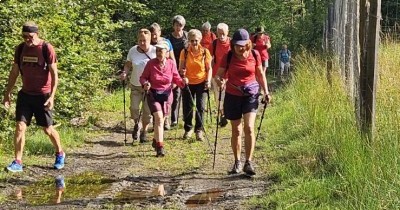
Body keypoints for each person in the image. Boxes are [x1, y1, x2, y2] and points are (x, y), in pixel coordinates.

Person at [2, 21, 65, 172]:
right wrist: (7, 93)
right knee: (20, 126)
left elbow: (54, 75)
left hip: (43, 95)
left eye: (29, 36)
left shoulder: (46, 48)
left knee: (47, 129)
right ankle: (17, 161)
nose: (27, 39)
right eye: (24, 36)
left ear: (37, 34)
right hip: (25, 95)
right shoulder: (20, 49)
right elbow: (14, 72)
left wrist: (52, 97)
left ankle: (60, 153)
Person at [215, 28, 271, 176]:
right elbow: (218, 75)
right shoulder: (228, 56)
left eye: (242, 44)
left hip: (251, 94)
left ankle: (249, 162)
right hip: (232, 95)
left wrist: (266, 91)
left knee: (249, 127)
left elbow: (260, 74)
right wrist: (220, 81)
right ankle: (237, 162)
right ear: (233, 43)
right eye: (237, 45)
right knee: (236, 130)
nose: (239, 48)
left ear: (248, 43)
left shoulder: (255, 54)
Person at [140, 41, 188, 156]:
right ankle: (160, 147)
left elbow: (176, 78)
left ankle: (156, 140)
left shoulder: (171, 64)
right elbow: (143, 77)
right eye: (157, 51)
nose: (158, 53)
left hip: (166, 95)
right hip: (153, 94)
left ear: (166, 53)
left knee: (160, 120)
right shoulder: (151, 64)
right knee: (159, 118)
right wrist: (145, 83)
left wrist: (183, 82)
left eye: (161, 51)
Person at [120, 28, 156, 143]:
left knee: (147, 112)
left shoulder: (155, 51)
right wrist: (125, 73)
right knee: (134, 108)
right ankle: (137, 125)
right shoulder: (132, 51)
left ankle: (144, 132)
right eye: (140, 40)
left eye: (144, 40)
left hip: (149, 87)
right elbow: (128, 64)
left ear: (149, 40)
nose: (142, 43)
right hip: (135, 84)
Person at [179, 29, 212, 141]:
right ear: (188, 40)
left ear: (200, 40)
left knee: (200, 107)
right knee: (187, 107)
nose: (194, 43)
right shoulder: (185, 52)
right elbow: (180, 68)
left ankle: (199, 130)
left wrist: (208, 80)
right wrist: (182, 74)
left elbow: (209, 68)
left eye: (196, 40)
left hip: (201, 82)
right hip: (188, 82)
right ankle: (188, 129)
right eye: (192, 40)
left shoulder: (205, 52)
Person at [148, 22, 175, 130]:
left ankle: (166, 119)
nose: (154, 36)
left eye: (155, 33)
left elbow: (172, 59)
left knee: (167, 99)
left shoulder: (166, 42)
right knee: (155, 100)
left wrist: (174, 75)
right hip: (153, 76)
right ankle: (157, 123)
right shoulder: (148, 44)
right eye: (152, 34)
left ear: (160, 32)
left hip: (166, 73)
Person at [165, 15, 189, 128]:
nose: (178, 27)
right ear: (173, 25)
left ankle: (186, 116)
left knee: (186, 93)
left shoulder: (187, 36)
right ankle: (173, 119)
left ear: (183, 26)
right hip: (173, 68)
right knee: (175, 93)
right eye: (176, 24)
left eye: (180, 25)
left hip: (186, 67)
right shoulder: (168, 38)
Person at [208, 23, 230, 127]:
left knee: (227, 96)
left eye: (223, 34)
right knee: (218, 97)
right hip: (216, 74)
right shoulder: (214, 43)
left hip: (230, 75)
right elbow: (208, 58)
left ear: (227, 33)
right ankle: (222, 115)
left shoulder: (232, 44)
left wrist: (226, 78)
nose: (221, 36)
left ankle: (226, 114)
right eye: (219, 34)